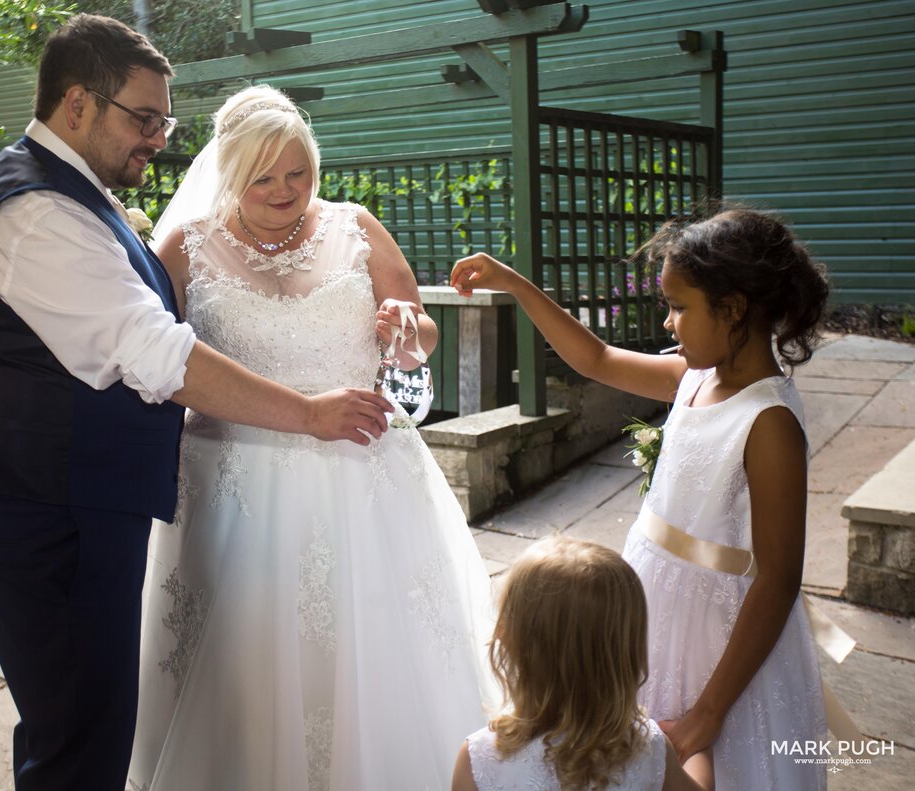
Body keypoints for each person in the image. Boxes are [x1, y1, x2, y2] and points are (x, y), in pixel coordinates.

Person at [0, 15, 391, 791]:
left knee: (91, 722)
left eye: (164, 120)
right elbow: (156, 353)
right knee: (77, 737)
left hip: (83, 503)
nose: (159, 138)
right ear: (78, 104)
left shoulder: (78, 193)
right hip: (47, 511)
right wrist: (311, 412)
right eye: (143, 119)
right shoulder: (34, 212)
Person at [125, 84, 499, 790]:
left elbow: (420, 335)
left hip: (364, 481)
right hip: (236, 494)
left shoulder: (354, 226)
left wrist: (403, 330)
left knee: (373, 652)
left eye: (297, 171)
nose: (284, 190)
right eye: (263, 176)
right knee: (247, 660)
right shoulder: (185, 246)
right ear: (228, 170)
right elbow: (152, 355)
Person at [451, 208, 831, 790]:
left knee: (713, 760)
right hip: (652, 601)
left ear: (733, 310)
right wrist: (516, 284)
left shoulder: (769, 421)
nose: (669, 322)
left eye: (680, 307)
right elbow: (596, 359)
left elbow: (778, 579)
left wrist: (708, 712)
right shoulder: (695, 378)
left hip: (716, 630)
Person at [452, 536, 714, 791]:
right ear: (623, 655)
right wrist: (700, 749)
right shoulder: (648, 749)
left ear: (509, 640)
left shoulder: (479, 759)